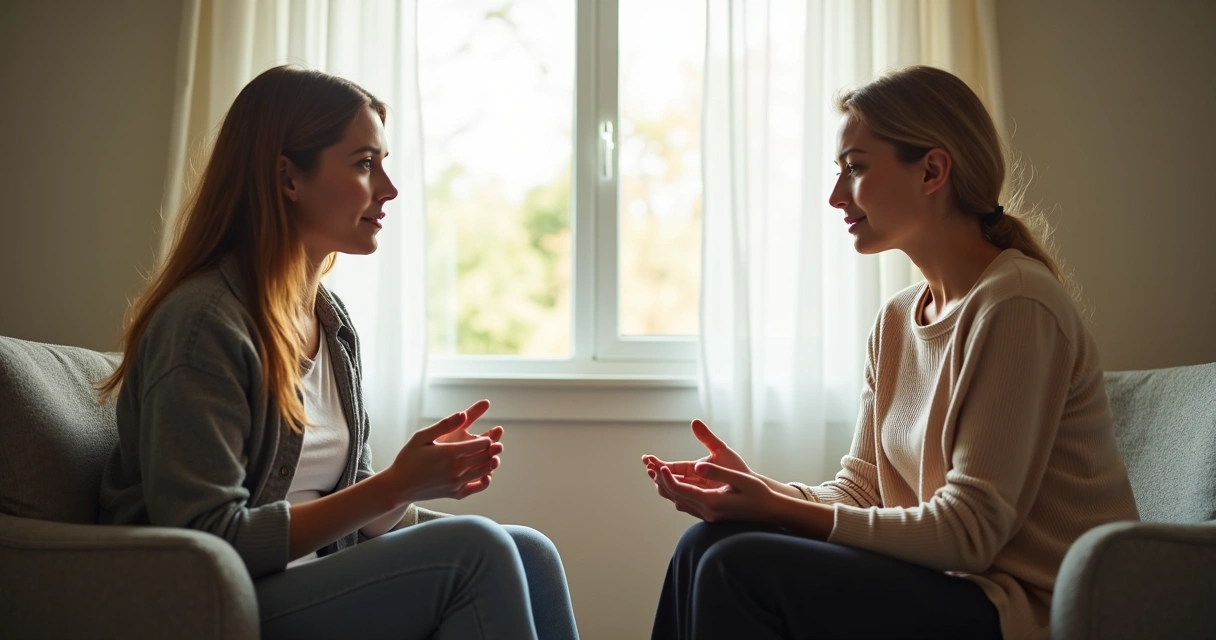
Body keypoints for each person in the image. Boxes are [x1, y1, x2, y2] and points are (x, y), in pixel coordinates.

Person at [641, 65, 1139, 640]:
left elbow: (969, 534)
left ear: (932, 170)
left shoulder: (1017, 305)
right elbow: (861, 490)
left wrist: (777, 511)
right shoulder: (898, 319)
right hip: (946, 585)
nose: (834, 196)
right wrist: (759, 492)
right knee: (703, 543)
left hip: (1023, 610)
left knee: (737, 566)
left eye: (855, 168)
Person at [98, 65, 578, 640]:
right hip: (215, 603)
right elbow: (210, 539)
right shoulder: (205, 326)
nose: (390, 189)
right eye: (364, 163)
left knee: (529, 551)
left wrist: (416, 479)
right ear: (288, 178)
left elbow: (361, 514)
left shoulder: (330, 319)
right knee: (473, 551)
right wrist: (394, 485)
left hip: (307, 583)